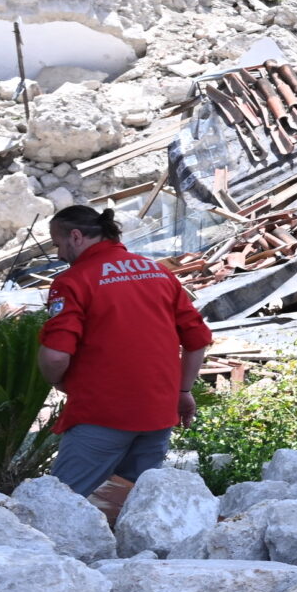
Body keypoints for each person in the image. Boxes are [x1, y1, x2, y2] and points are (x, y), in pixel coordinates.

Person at [37, 204, 213, 526]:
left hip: (101, 415)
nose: (60, 254)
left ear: (75, 236)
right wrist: (183, 391)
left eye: (58, 244)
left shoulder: (73, 281)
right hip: (158, 416)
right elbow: (197, 339)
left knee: (55, 508)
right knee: (132, 510)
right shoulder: (159, 272)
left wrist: (55, 380)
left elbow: (55, 355)